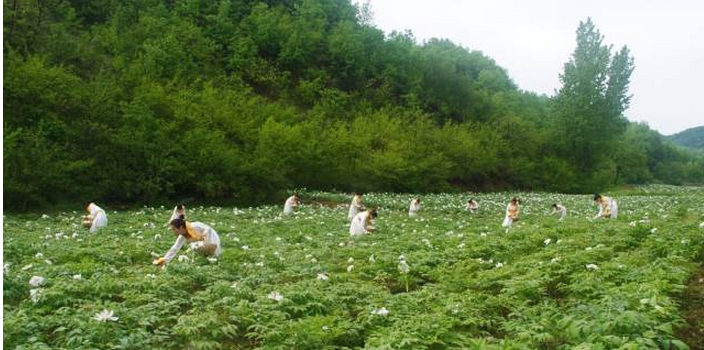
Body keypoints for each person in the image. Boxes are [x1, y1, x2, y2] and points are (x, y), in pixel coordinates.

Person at [153, 216, 222, 266]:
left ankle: (212, 259)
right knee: (196, 247)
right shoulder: (183, 234)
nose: (173, 232)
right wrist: (164, 260)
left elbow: (208, 229)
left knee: (197, 247)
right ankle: (207, 261)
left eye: (174, 229)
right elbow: (175, 248)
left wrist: (204, 236)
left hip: (212, 239)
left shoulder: (194, 226)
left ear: (181, 227)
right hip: (203, 243)